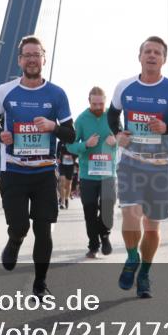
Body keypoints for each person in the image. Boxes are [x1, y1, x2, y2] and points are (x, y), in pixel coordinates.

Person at [0, 36, 74, 297]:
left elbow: (70, 134)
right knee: (20, 226)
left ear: (43, 59)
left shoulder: (57, 94)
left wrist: (53, 127)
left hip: (44, 172)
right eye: (27, 55)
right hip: (13, 171)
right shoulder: (5, 91)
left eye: (37, 54)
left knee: (43, 228)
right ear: (20, 60)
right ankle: (14, 241)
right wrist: (0, 133)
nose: (32, 59)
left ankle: (40, 284)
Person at [109, 36, 168, 298]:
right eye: (148, 51)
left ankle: (144, 273)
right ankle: (132, 257)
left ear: (164, 59)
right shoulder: (125, 86)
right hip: (131, 163)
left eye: (157, 52)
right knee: (130, 214)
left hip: (160, 167)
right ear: (140, 56)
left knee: (152, 227)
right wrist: (118, 133)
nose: (152, 55)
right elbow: (112, 116)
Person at [66, 87, 118, 258]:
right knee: (90, 210)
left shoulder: (112, 115)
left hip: (108, 174)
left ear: (105, 101)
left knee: (107, 208)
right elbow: (70, 145)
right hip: (88, 174)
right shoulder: (81, 120)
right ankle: (93, 245)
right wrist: (86, 144)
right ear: (89, 101)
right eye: (95, 104)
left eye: (101, 103)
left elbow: (125, 138)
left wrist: (115, 140)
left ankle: (105, 235)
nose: (98, 107)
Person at [56, 141, 76, 208]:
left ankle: (66, 198)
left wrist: (74, 158)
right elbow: (58, 152)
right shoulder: (60, 142)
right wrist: (58, 158)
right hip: (62, 164)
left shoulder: (74, 141)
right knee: (62, 181)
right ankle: (62, 201)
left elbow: (78, 152)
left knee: (68, 183)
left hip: (71, 165)